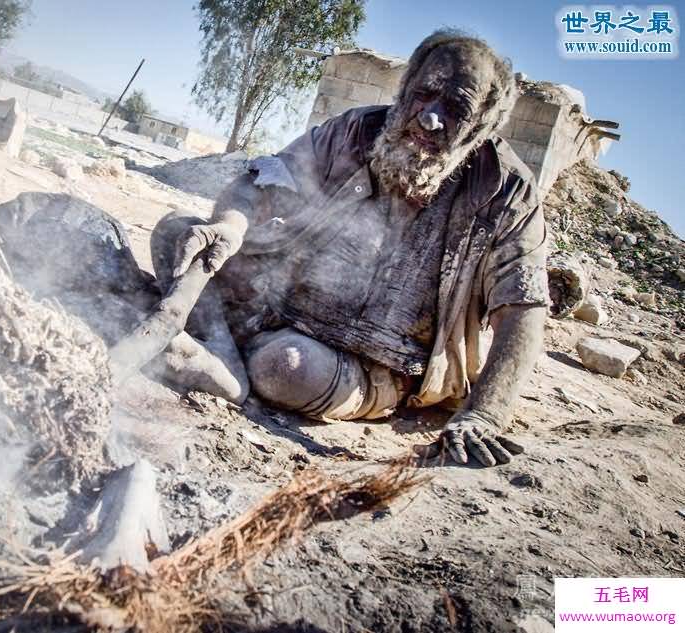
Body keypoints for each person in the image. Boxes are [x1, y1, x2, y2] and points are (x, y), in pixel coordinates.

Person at [150, 30, 548, 468]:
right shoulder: (354, 130)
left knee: (284, 367)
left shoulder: (506, 192)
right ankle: (221, 346)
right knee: (178, 233)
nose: (429, 120)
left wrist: (485, 415)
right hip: (274, 305)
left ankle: (225, 355)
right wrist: (228, 225)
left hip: (371, 367)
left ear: (481, 128)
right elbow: (261, 180)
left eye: (455, 110)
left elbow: (523, 310)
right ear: (405, 88)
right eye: (424, 95)